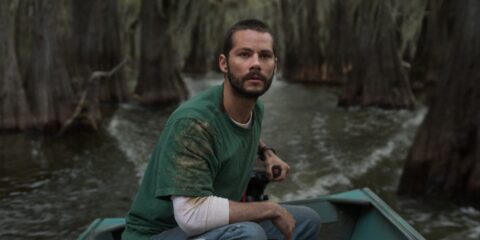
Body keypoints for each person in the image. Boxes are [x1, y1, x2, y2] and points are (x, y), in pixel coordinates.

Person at [122, 19, 321, 240]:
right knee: (249, 234)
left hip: (210, 229)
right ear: (224, 63)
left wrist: (267, 153)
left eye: (264, 56)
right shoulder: (193, 123)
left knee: (307, 220)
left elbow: (240, 131)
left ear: (275, 64)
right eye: (244, 54)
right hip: (158, 234)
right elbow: (192, 216)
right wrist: (270, 208)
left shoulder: (255, 109)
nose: (255, 63)